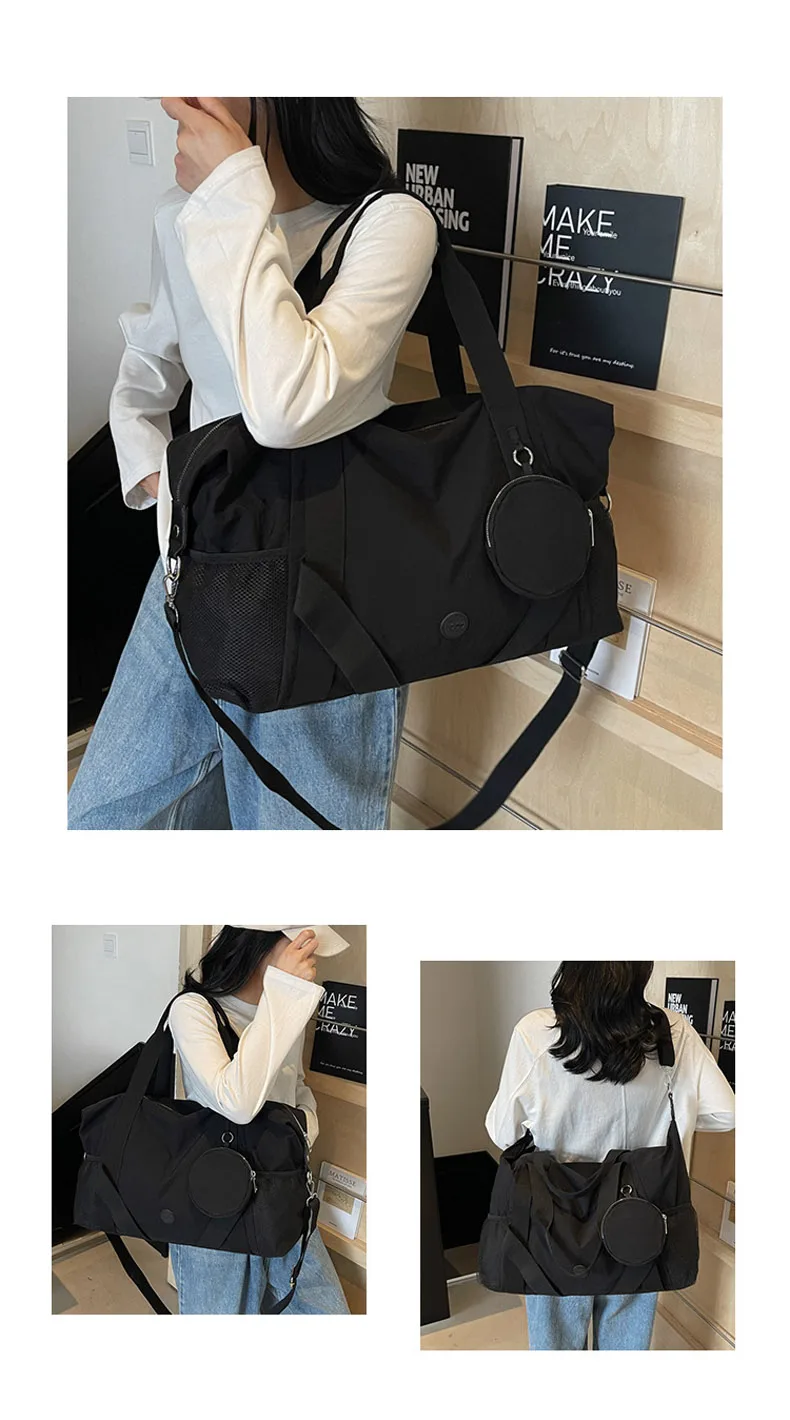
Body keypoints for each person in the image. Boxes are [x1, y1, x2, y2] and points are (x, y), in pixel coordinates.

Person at [68, 97, 438, 829]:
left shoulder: (390, 226)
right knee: (99, 823)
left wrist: (235, 190)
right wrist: (160, 482)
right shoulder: (184, 216)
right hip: (191, 576)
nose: (170, 95)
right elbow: (148, 365)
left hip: (325, 605)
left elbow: (286, 407)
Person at [485, 962, 735, 1351]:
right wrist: (673, 1120)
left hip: (554, 1218)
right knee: (626, 1346)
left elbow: (503, 1132)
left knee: (555, 1346)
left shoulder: (536, 1032)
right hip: (640, 1215)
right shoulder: (673, 1032)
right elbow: (725, 1113)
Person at [168, 924, 350, 1315]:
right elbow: (236, 1102)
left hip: (283, 1194)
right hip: (214, 1208)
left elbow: (296, 1086)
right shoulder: (193, 1010)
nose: (310, 960)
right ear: (260, 943)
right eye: (302, 946)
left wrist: (304, 1129)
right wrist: (282, 995)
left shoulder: (286, 1011)